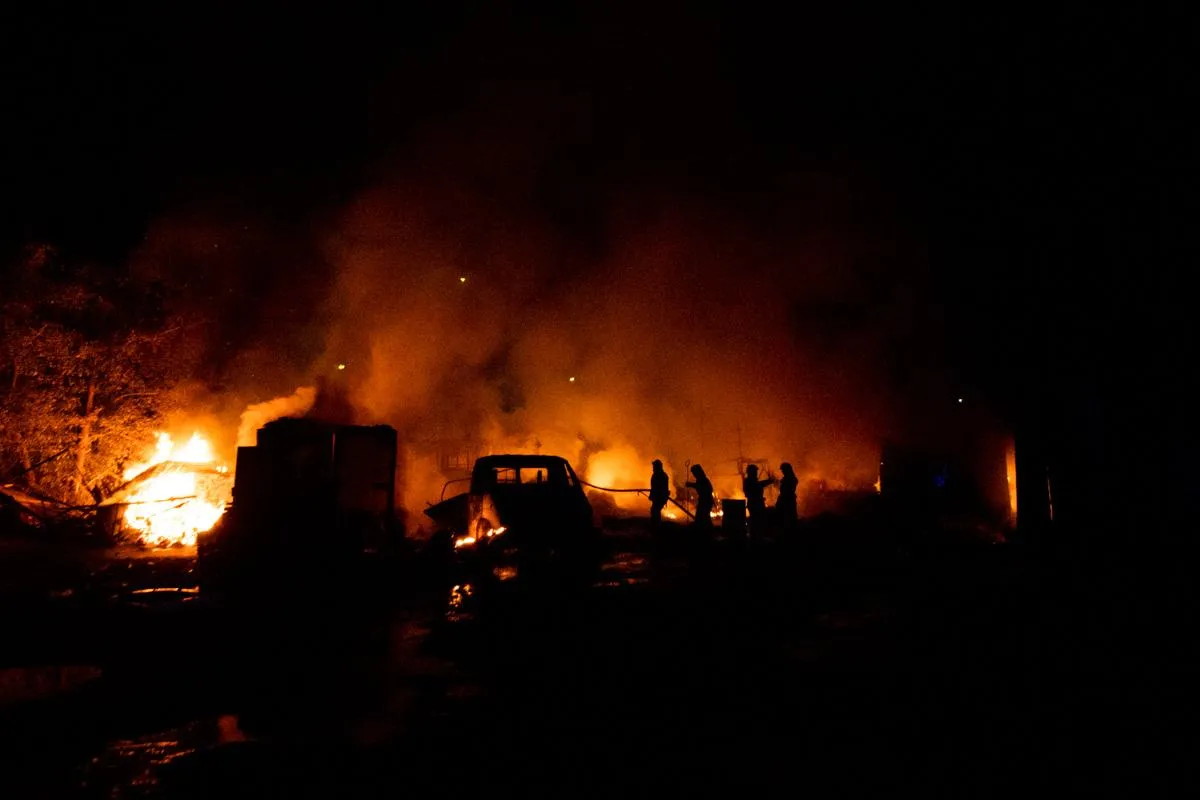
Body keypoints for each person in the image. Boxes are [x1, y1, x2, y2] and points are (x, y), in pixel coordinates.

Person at [743, 464, 775, 539]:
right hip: (755, 504)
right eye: (755, 471)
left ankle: (756, 537)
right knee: (756, 522)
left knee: (757, 522)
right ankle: (756, 538)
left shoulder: (751, 481)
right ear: (751, 472)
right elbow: (756, 487)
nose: (756, 473)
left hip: (756, 503)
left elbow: (760, 484)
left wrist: (769, 481)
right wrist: (768, 481)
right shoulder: (749, 481)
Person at [685, 464, 714, 531]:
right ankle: (708, 530)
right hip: (705, 500)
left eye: (694, 472)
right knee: (705, 517)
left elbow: (702, 487)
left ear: (697, 472)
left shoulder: (703, 479)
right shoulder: (701, 479)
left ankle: (705, 531)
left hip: (705, 501)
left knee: (702, 517)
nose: (694, 475)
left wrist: (690, 484)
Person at [649, 460, 670, 526]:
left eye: (654, 466)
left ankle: (656, 526)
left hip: (659, 497)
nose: (653, 468)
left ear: (657, 467)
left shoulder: (661, 476)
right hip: (658, 497)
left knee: (655, 511)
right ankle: (656, 525)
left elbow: (659, 488)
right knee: (655, 511)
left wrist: (654, 495)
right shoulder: (657, 475)